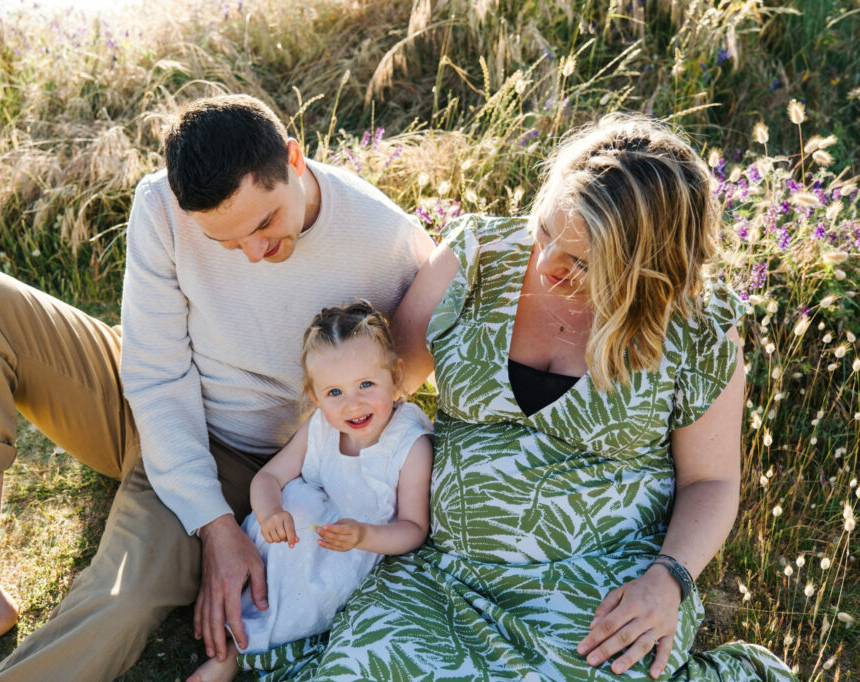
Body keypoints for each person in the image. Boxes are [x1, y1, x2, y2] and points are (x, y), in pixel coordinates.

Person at [0, 94, 434, 682]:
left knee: (124, 598)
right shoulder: (160, 203)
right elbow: (156, 375)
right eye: (226, 242)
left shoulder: (386, 242)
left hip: (240, 457)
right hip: (144, 391)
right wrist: (214, 529)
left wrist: (220, 515)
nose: (254, 252)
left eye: (265, 223)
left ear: (295, 159)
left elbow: (409, 369)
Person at [250, 114, 795, 680]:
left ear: (645, 267)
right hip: (443, 573)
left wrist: (668, 580)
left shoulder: (696, 328)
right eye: (545, 232)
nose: (546, 263)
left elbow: (711, 481)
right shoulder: (478, 259)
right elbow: (379, 386)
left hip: (598, 584)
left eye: (583, 262)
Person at [188, 301, 434, 682]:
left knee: (303, 568)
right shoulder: (320, 426)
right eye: (334, 392)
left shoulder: (409, 446)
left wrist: (366, 536)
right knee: (293, 508)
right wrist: (271, 513)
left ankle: (236, 654)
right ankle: (238, 616)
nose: (353, 404)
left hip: (358, 546)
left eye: (366, 384)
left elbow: (415, 528)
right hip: (305, 529)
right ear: (315, 396)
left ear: (396, 376)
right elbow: (267, 479)